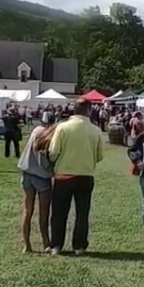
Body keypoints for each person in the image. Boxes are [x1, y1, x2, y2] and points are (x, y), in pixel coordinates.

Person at [47, 98, 104, 256]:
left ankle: (56, 245)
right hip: (86, 175)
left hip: (64, 175)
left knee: (59, 213)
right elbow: (100, 156)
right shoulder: (96, 130)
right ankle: (79, 246)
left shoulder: (62, 128)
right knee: (82, 214)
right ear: (89, 110)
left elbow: (53, 152)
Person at [17, 122, 56, 253]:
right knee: (43, 213)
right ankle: (46, 242)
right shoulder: (46, 137)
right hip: (41, 177)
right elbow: (43, 161)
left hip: (27, 173)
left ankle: (26, 245)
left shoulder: (36, 130)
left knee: (27, 212)